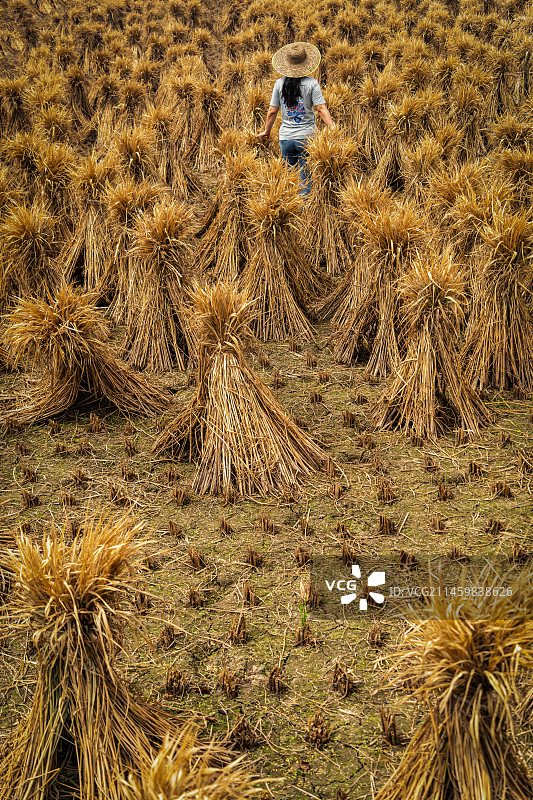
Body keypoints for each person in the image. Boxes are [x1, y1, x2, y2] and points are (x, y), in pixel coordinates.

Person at [257, 41, 335, 196]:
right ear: (305, 63)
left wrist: (267, 130)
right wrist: (333, 128)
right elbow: (320, 108)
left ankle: (289, 207)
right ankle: (303, 210)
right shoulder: (312, 83)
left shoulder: (279, 84)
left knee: (288, 175)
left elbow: (272, 111)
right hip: (307, 137)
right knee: (304, 175)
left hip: (286, 137)